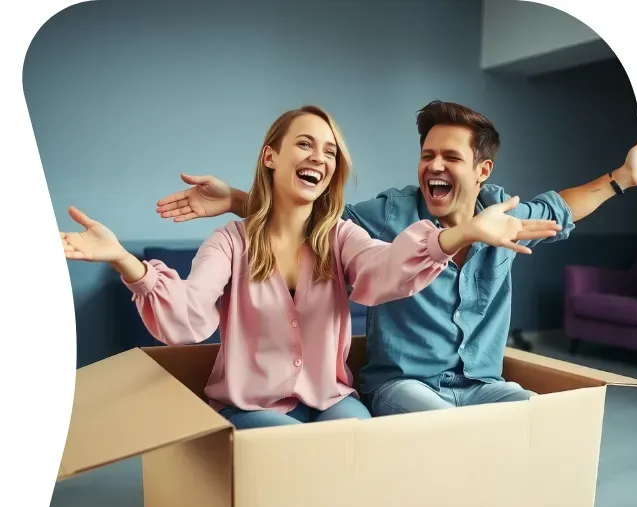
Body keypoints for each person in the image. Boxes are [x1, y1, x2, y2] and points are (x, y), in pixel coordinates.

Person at [61, 105, 560, 429]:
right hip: (252, 405)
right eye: (305, 144)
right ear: (271, 156)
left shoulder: (342, 238)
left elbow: (386, 270)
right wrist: (127, 261)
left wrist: (464, 231)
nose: (318, 156)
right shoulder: (230, 242)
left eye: (329, 151)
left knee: (359, 440)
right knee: (299, 451)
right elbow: (187, 318)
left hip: (329, 397)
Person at [154, 100, 637, 417]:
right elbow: (309, 214)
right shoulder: (386, 216)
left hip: (480, 384)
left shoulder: (503, 215)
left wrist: (622, 178)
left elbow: (561, 207)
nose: (434, 166)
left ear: (481, 170)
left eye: (451, 158)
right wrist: (238, 199)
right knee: (443, 428)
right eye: (427, 155)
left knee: (541, 418)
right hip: (403, 385)